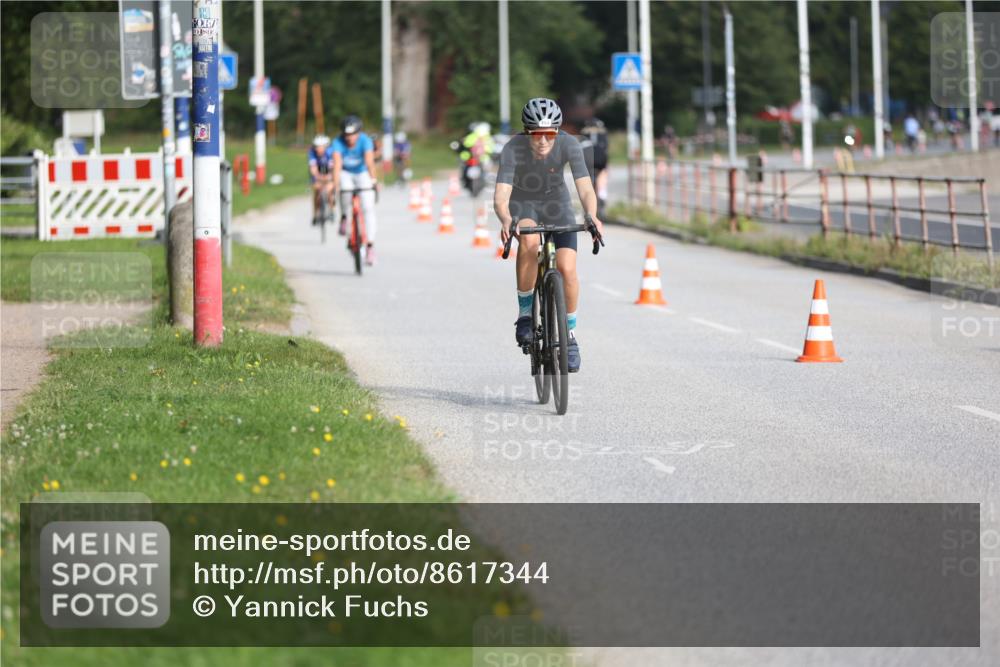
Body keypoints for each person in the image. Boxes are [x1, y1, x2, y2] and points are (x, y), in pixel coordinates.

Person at [494, 98, 605, 373]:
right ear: (526, 132)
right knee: (530, 243)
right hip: (524, 202)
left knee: (567, 268)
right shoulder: (513, 148)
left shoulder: (569, 144)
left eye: (549, 134)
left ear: (557, 131)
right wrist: (507, 218)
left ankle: (569, 335)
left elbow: (586, 188)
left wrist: (592, 215)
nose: (543, 141)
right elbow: (501, 196)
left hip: (557, 203)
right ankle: (525, 316)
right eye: (536, 134)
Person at [331, 115, 380, 265]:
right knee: (345, 195)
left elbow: (369, 162)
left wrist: (374, 182)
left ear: (359, 133)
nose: (350, 138)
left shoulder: (365, 141)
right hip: (346, 172)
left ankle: (370, 246)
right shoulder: (337, 143)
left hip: (362, 172)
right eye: (347, 135)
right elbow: (337, 165)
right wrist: (335, 185)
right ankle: (345, 217)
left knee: (368, 208)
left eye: (352, 135)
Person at [579, 117, 609, 217]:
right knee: (602, 177)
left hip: (587, 160)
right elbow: (606, 149)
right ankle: (602, 196)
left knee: (587, 182)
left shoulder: (584, 133)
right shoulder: (603, 133)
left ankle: (587, 207)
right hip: (601, 160)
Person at [308, 134, 335, 225]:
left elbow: (333, 168)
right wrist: (317, 176)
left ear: (325, 147)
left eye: (320, 147)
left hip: (329, 171)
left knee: (329, 190)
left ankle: (331, 210)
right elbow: (313, 168)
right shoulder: (312, 152)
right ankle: (315, 214)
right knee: (316, 191)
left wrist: (330, 177)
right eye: (316, 147)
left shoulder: (331, 152)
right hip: (318, 172)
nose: (317, 149)